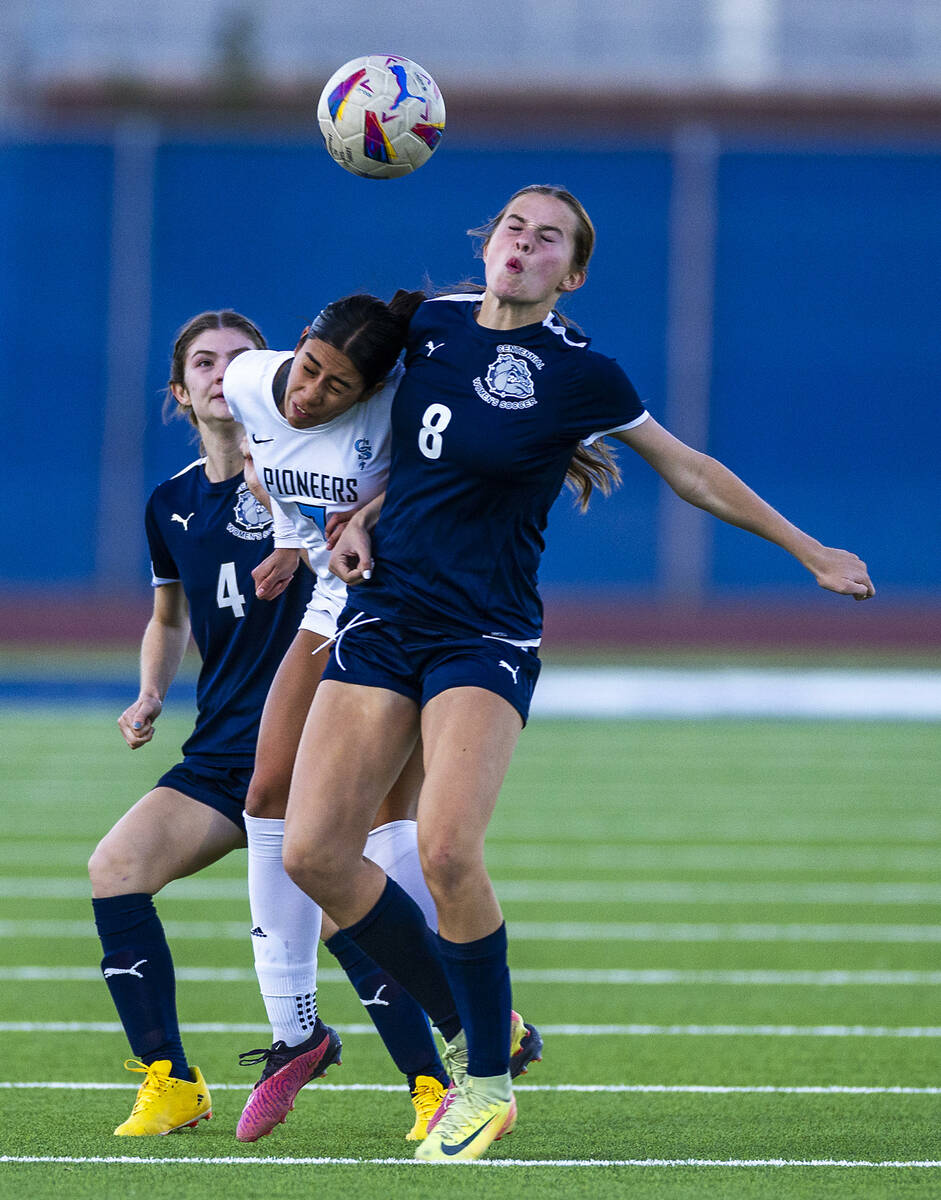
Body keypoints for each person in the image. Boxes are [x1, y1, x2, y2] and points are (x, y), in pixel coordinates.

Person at [279, 184, 876, 1163]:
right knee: (312, 854)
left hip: (484, 633)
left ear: (572, 271)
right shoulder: (423, 327)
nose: (524, 244)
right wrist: (356, 520)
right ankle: (488, 1023)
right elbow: (397, 453)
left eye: (547, 238)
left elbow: (687, 468)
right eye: (513, 227)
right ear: (488, 241)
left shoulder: (577, 373)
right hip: (383, 613)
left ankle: (483, 1084)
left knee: (445, 853)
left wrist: (805, 550)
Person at [222, 293, 541, 1142]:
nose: (310, 395)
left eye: (336, 386)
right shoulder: (252, 380)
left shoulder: (396, 407)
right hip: (332, 595)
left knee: (346, 823)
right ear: (295, 344)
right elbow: (263, 454)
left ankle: (422, 1031)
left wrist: (363, 515)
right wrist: (290, 532)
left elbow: (441, 479)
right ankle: (312, 1027)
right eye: (312, 369)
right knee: (282, 806)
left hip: (383, 604)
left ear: (373, 386)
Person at [88, 309, 309, 1135]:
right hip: (220, 752)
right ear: (180, 392)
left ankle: (452, 1069)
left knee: (358, 910)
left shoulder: (309, 476)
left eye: (242, 360)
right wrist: (150, 692)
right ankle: (171, 1080)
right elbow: (169, 616)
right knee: (115, 867)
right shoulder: (170, 501)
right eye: (205, 363)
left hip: (316, 745)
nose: (224, 373)